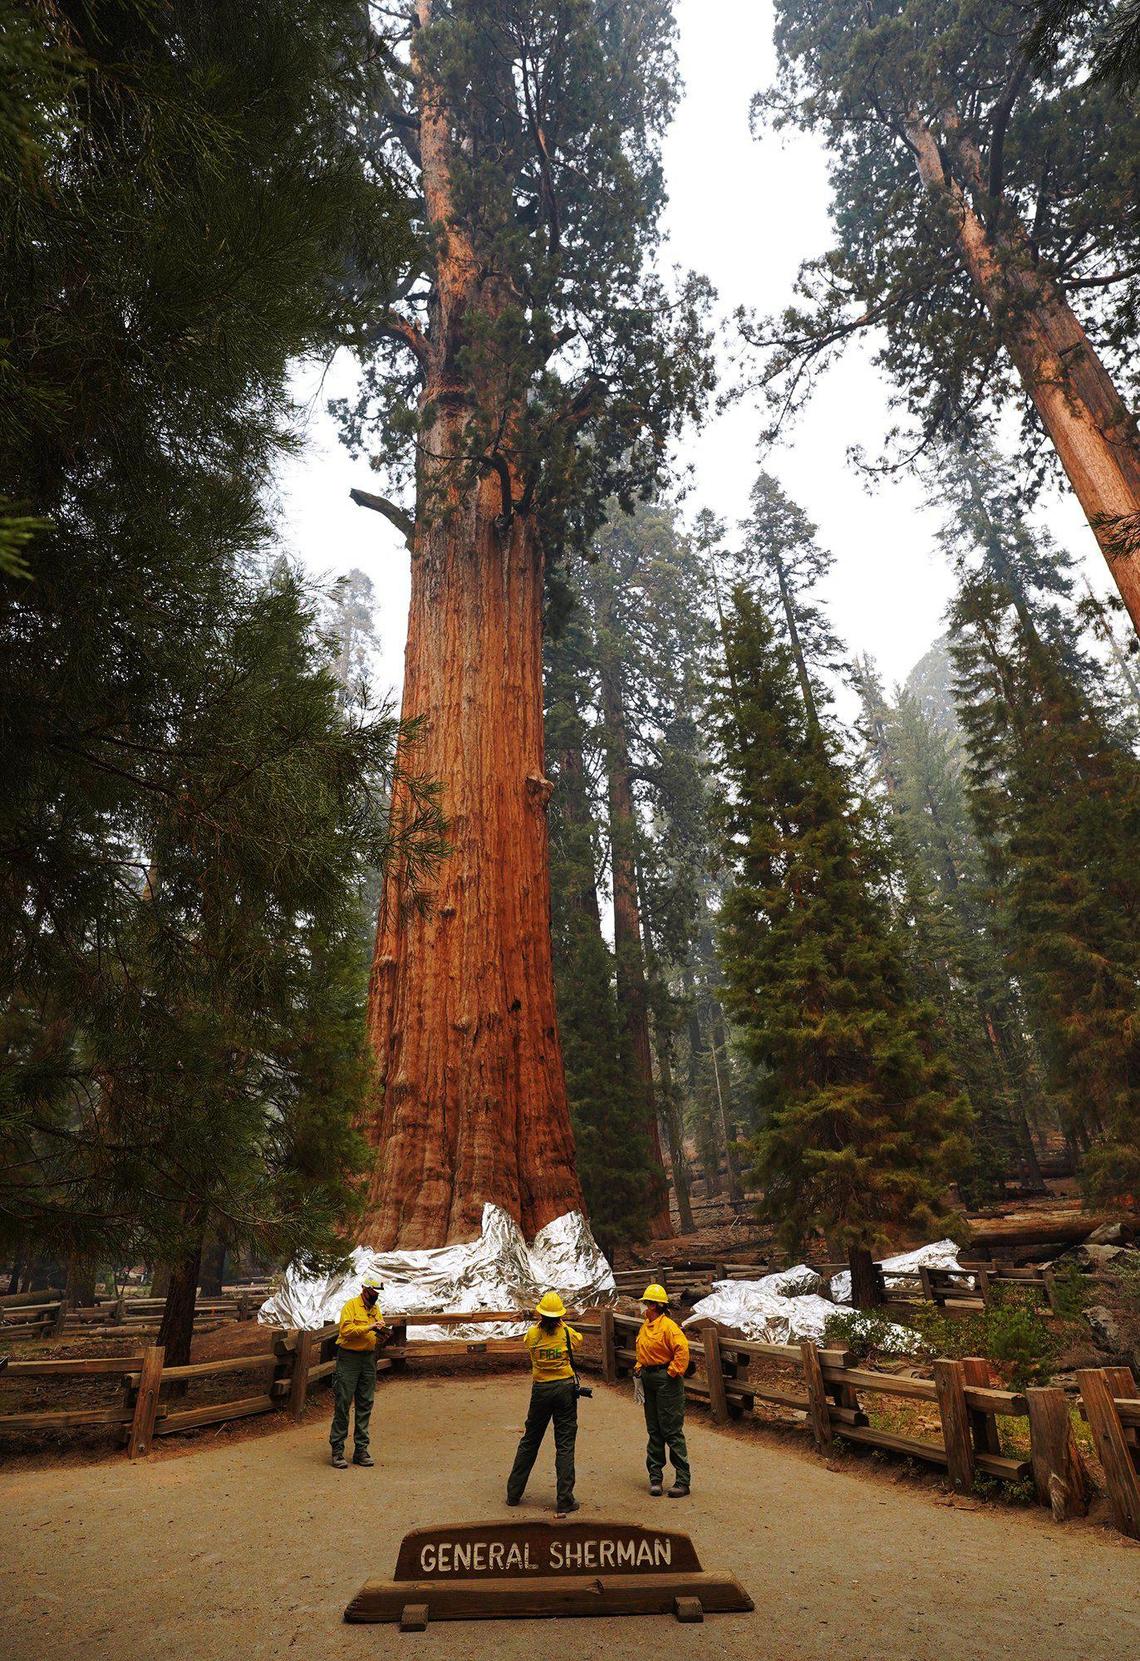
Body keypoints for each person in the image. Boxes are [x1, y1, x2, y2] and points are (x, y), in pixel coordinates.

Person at [505, 1290, 581, 1516]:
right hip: (565, 1389)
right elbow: (579, 1340)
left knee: (530, 1440)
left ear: (540, 1314)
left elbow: (527, 1343)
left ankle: (513, 1493)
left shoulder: (532, 1335)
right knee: (565, 1443)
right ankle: (565, 1498)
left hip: (541, 1389)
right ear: (559, 1315)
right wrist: (562, 1324)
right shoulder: (567, 1333)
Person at [634, 1282, 691, 1498]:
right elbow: (642, 1349)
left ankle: (682, 1481)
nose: (644, 1308)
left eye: (647, 1304)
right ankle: (655, 1478)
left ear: (655, 1306)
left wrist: (672, 1372)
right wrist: (639, 1367)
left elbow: (682, 1351)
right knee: (654, 1429)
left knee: (671, 1430)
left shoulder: (669, 1327)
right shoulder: (645, 1326)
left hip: (666, 1379)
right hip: (649, 1378)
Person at [330, 1274, 384, 1469]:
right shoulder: (351, 1306)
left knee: (365, 1403)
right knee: (343, 1402)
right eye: (374, 1292)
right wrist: (369, 1326)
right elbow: (346, 1331)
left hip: (368, 1359)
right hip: (349, 1358)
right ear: (365, 1289)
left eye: (378, 1293)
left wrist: (382, 1332)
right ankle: (337, 1450)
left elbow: (375, 1329)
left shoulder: (375, 1309)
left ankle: (361, 1450)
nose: (376, 1296)